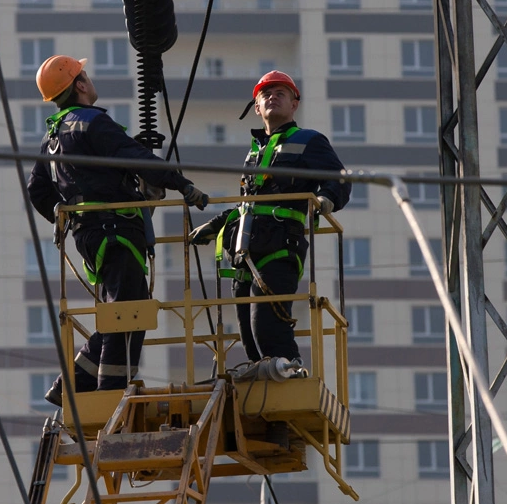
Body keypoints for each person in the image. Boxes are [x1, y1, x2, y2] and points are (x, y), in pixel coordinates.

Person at [27, 55, 209, 406]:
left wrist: (60, 213)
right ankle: (110, 393)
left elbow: (37, 188)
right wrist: (181, 184)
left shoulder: (53, 135)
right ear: (80, 85)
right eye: (85, 75)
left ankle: (73, 382)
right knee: (126, 313)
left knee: (130, 309)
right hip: (115, 230)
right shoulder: (92, 122)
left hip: (91, 233)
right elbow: (134, 157)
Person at [189, 70, 350, 375]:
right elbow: (249, 203)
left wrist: (326, 199)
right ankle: (266, 379)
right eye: (266, 94)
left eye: (280, 93)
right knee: (249, 337)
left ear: (294, 105)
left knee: (266, 325)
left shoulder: (309, 140)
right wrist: (216, 225)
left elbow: (338, 178)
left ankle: (290, 373)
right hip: (245, 249)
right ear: (257, 107)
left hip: (280, 244)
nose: (272, 97)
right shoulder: (255, 153)